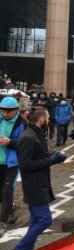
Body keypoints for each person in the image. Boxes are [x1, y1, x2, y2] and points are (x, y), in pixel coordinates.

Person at [8, 109, 66, 250]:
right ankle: (19, 249)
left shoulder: (37, 133)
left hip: (40, 183)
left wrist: (54, 156)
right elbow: (26, 165)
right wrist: (51, 160)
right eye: (47, 117)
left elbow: (40, 155)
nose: (48, 120)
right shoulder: (28, 137)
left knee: (35, 222)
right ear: (41, 119)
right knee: (45, 220)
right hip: (34, 186)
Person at [0, 97, 27, 237]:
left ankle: (2, 223)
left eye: (8, 111)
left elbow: (26, 144)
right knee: (1, 195)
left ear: (16, 110)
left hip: (12, 163)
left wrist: (9, 142)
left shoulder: (22, 123)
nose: (5, 113)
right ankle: (11, 208)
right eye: (3, 110)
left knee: (6, 191)